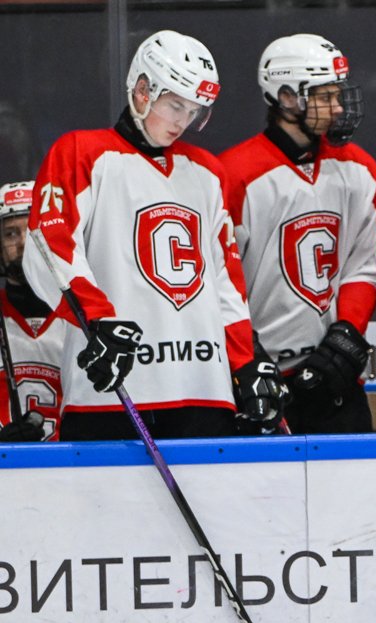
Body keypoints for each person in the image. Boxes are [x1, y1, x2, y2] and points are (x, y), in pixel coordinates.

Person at [25, 29, 285, 441]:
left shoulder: (207, 172)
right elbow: (48, 245)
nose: (183, 121)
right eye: (175, 104)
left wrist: (244, 359)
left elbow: (225, 281)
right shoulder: (81, 153)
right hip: (112, 386)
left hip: (203, 389)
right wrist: (97, 320)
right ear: (143, 89)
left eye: (194, 110)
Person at [222, 33, 376, 434]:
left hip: (335, 380)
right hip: (259, 382)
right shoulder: (233, 175)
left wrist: (347, 334)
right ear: (286, 97)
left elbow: (363, 266)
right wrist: (246, 357)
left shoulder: (360, 170)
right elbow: (221, 282)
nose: (338, 107)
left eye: (338, 95)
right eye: (325, 96)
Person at [0, 181, 64, 442]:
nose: (24, 243)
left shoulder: (82, 320)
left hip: (73, 463)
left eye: (32, 230)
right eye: (11, 234)